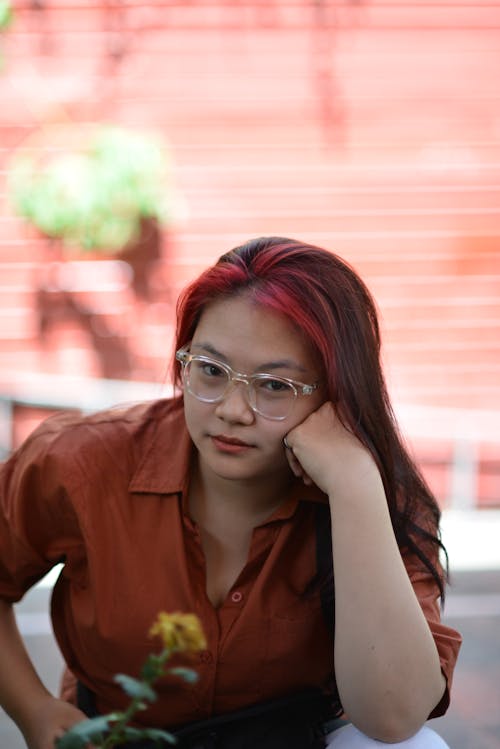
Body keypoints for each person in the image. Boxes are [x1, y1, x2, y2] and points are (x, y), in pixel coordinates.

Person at [0, 236, 462, 749]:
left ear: (337, 393)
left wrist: (353, 486)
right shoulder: (82, 461)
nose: (233, 410)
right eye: (211, 371)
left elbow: (394, 720)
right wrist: (32, 707)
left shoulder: (376, 492)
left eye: (275, 385)